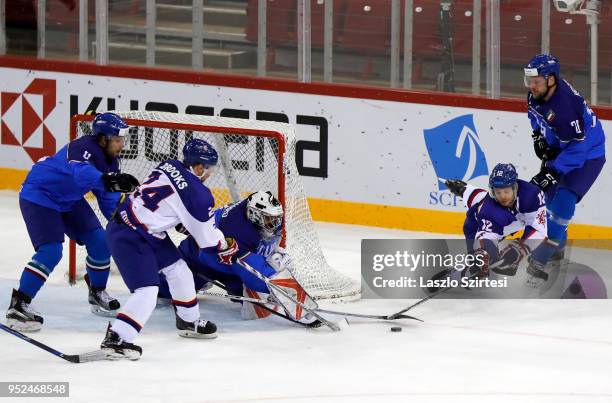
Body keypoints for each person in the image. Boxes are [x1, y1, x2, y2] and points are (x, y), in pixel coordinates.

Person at [100, 139, 239, 360]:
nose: (210, 173)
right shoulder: (199, 194)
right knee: (147, 290)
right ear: (199, 166)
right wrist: (224, 245)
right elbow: (208, 241)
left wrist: (184, 223)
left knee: (179, 269)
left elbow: (170, 203)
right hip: (130, 235)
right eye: (209, 168)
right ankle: (117, 337)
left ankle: (188, 320)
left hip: (141, 226)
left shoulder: (169, 164)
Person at [6, 112, 139, 332]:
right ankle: (19, 303)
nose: (121, 145)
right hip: (40, 195)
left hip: (69, 200)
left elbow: (107, 199)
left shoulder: (111, 161)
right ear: (103, 138)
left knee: (101, 241)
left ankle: (97, 292)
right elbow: (81, 173)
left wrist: (123, 223)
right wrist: (106, 180)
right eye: (117, 140)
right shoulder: (81, 148)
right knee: (51, 251)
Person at [524, 54, 606, 286]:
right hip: (563, 147)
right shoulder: (537, 92)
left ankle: (542, 256)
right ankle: (557, 249)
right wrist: (538, 136)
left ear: (551, 79)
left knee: (563, 202)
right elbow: (535, 116)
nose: (531, 86)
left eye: (536, 81)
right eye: (529, 80)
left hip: (588, 155)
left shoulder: (565, 107)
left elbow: (577, 151)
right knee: (549, 199)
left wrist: (554, 171)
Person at [159, 190, 293, 321]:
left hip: (227, 263)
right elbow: (251, 271)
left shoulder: (252, 217)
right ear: (255, 215)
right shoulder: (237, 229)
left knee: (251, 302)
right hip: (197, 258)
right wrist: (275, 284)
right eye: (270, 220)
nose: (275, 224)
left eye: (276, 219)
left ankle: (231, 283)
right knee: (164, 290)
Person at [446, 163, 547, 278]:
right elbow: (488, 234)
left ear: (515, 187)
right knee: (476, 240)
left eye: (506, 192)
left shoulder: (531, 195)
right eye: (498, 192)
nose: (503, 197)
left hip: (516, 217)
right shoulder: (489, 208)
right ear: (493, 191)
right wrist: (483, 253)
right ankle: (476, 262)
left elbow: (539, 230)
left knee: (475, 197)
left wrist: (519, 250)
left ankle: (480, 261)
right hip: (482, 222)